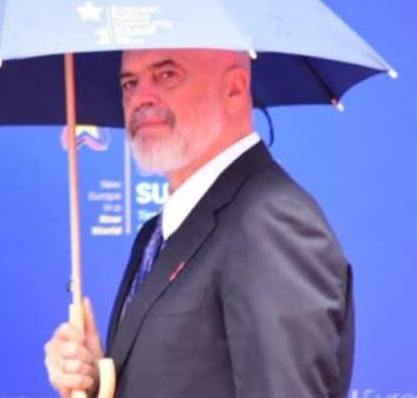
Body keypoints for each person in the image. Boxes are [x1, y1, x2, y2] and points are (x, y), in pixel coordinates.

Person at [43, 48, 354, 398]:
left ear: (235, 88)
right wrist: (99, 382)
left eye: (167, 75)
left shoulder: (271, 221)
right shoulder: (155, 233)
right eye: (129, 83)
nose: (141, 98)